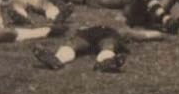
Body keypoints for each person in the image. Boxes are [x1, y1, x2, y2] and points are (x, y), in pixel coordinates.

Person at [32, 25, 164, 73]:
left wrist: (159, 34)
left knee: (107, 45)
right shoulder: (123, 31)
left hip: (97, 34)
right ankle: (56, 59)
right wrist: (160, 34)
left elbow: (146, 35)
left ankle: (106, 62)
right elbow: (146, 34)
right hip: (90, 33)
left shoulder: (123, 32)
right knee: (75, 44)